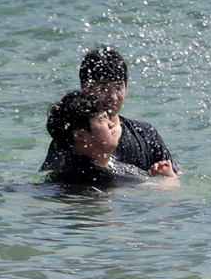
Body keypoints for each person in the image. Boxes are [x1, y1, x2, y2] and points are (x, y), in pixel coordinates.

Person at [39, 46, 174, 176]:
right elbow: (53, 183)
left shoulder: (146, 134)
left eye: (118, 87)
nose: (113, 97)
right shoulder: (72, 139)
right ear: (86, 88)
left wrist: (167, 177)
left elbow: (175, 178)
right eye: (104, 88)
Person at [45, 89, 178, 188]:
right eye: (102, 119)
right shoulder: (96, 178)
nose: (111, 124)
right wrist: (169, 177)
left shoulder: (66, 173)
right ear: (80, 135)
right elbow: (164, 192)